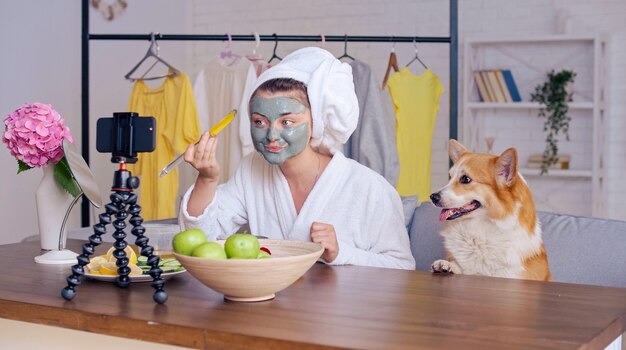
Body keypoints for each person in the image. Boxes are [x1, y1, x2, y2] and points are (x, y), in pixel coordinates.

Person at [180, 47, 415, 270]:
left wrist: (342, 253)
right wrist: (207, 179)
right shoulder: (253, 169)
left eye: (287, 122)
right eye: (259, 122)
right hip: (267, 303)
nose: (271, 135)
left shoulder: (370, 189)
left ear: (317, 122)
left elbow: (403, 266)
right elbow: (203, 240)